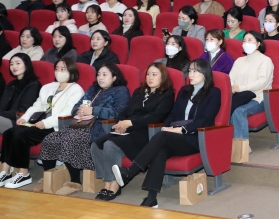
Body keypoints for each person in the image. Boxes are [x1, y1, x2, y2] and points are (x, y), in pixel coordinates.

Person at [113, 59, 220, 208]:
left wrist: (181, 130)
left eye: (195, 71)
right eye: (190, 71)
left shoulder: (214, 92)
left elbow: (205, 119)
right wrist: (167, 126)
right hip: (176, 136)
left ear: (205, 73)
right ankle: (151, 198)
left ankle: (130, 172)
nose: (191, 74)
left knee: (162, 137)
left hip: (197, 137)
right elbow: (173, 114)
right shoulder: (184, 90)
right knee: (161, 151)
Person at [38, 64, 130, 195]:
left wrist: (93, 110)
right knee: (50, 139)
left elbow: (118, 112)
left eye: (105, 75)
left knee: (70, 140)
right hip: (80, 124)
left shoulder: (121, 90)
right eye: (99, 74)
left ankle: (75, 181)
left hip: (100, 127)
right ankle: (48, 177)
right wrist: (79, 111)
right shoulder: (93, 89)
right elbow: (76, 106)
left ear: (114, 77)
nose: (100, 78)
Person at [89, 62, 174, 201]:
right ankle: (107, 183)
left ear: (163, 77)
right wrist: (120, 123)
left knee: (110, 145)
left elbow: (156, 116)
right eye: (148, 74)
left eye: (154, 74)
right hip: (127, 129)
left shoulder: (167, 94)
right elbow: (125, 112)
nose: (150, 77)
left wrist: (131, 123)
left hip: (146, 133)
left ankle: (115, 185)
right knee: (96, 144)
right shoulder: (139, 92)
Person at [0, 58, 83, 189]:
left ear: (71, 71)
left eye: (63, 69)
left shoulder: (76, 90)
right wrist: (25, 118)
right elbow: (36, 106)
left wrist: (45, 122)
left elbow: (67, 112)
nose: (59, 72)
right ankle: (5, 172)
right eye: (57, 69)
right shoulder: (48, 87)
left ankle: (24, 174)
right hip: (38, 122)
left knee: (20, 135)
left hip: (55, 126)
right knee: (10, 132)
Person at [229, 32, 274, 146]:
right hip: (238, 96)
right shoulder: (239, 60)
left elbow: (262, 82)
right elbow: (230, 78)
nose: (246, 43)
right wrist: (233, 87)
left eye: (250, 40)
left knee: (239, 111)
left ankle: (241, 148)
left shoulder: (265, 60)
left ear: (258, 43)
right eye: (244, 40)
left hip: (258, 97)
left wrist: (240, 88)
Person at [0, 53, 41, 133]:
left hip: (17, 121)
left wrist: (2, 114)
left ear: (26, 64)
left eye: (18, 63)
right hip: (3, 117)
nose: (14, 66)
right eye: (11, 64)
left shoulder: (33, 85)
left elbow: (23, 111)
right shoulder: (11, 84)